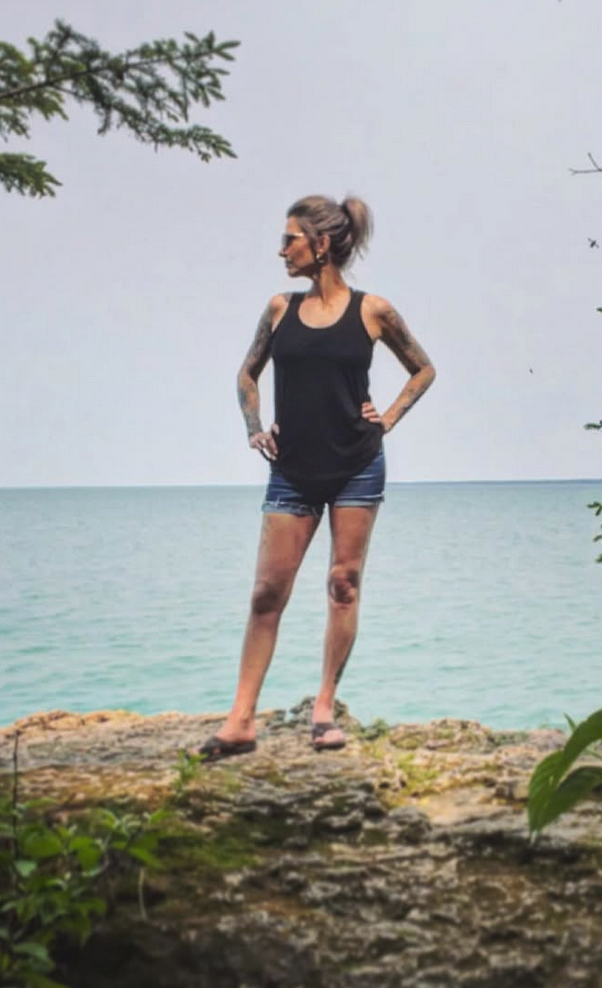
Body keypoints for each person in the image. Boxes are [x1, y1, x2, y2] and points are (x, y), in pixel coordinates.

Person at [198, 194, 435, 759]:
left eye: (290, 239)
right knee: (265, 594)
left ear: (321, 244)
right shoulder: (280, 308)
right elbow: (247, 371)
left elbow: (423, 367)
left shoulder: (373, 310)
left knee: (342, 584)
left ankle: (324, 707)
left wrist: (392, 416)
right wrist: (254, 424)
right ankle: (240, 721)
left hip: (357, 465)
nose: (281, 250)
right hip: (293, 471)